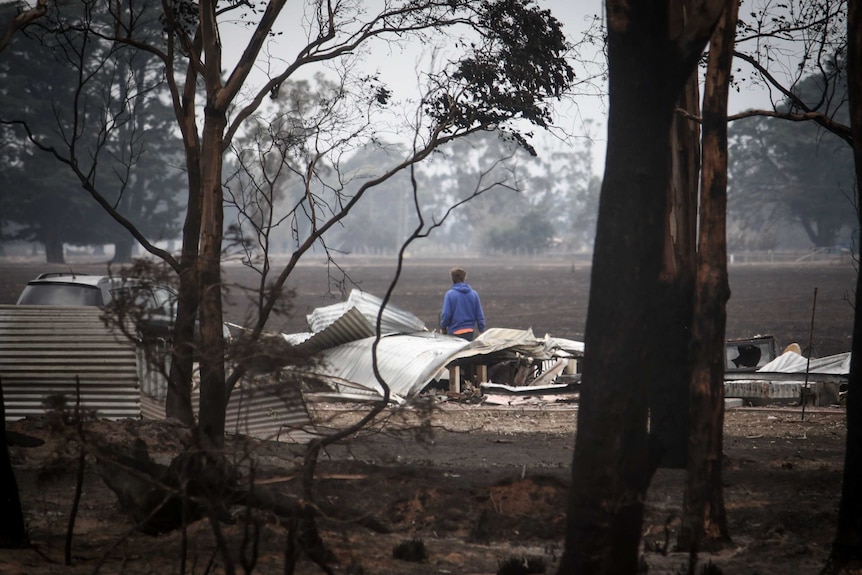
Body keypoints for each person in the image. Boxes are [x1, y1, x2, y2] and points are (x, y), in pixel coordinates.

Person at [440, 267, 485, 341]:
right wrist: (481, 329)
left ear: (452, 279)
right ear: (464, 278)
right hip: (470, 331)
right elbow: (479, 314)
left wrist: (443, 327)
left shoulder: (450, 295)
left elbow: (446, 314)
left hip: (455, 331)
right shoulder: (474, 294)